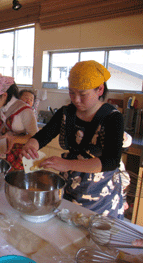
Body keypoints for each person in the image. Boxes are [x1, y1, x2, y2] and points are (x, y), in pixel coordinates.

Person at [21, 60, 125, 219]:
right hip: (70, 185)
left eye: (83, 94)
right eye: (71, 92)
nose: (76, 99)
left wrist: (66, 164)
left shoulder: (112, 118)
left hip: (101, 195)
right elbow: (44, 135)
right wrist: (31, 144)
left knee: (96, 234)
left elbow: (111, 161)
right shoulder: (66, 113)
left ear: (100, 89)